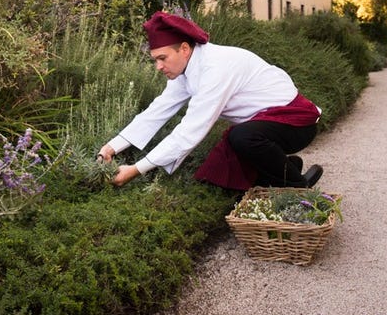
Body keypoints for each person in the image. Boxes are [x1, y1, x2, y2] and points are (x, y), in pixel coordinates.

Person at [97, 10, 323, 190]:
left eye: (162, 58)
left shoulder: (215, 68)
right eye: (155, 60)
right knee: (232, 158)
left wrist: (136, 169)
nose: (158, 66)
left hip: (297, 125)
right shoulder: (186, 69)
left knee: (241, 137)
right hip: (267, 127)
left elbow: (190, 131)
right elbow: (156, 112)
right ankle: (286, 168)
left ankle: (297, 184)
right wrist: (111, 147)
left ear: (184, 49)